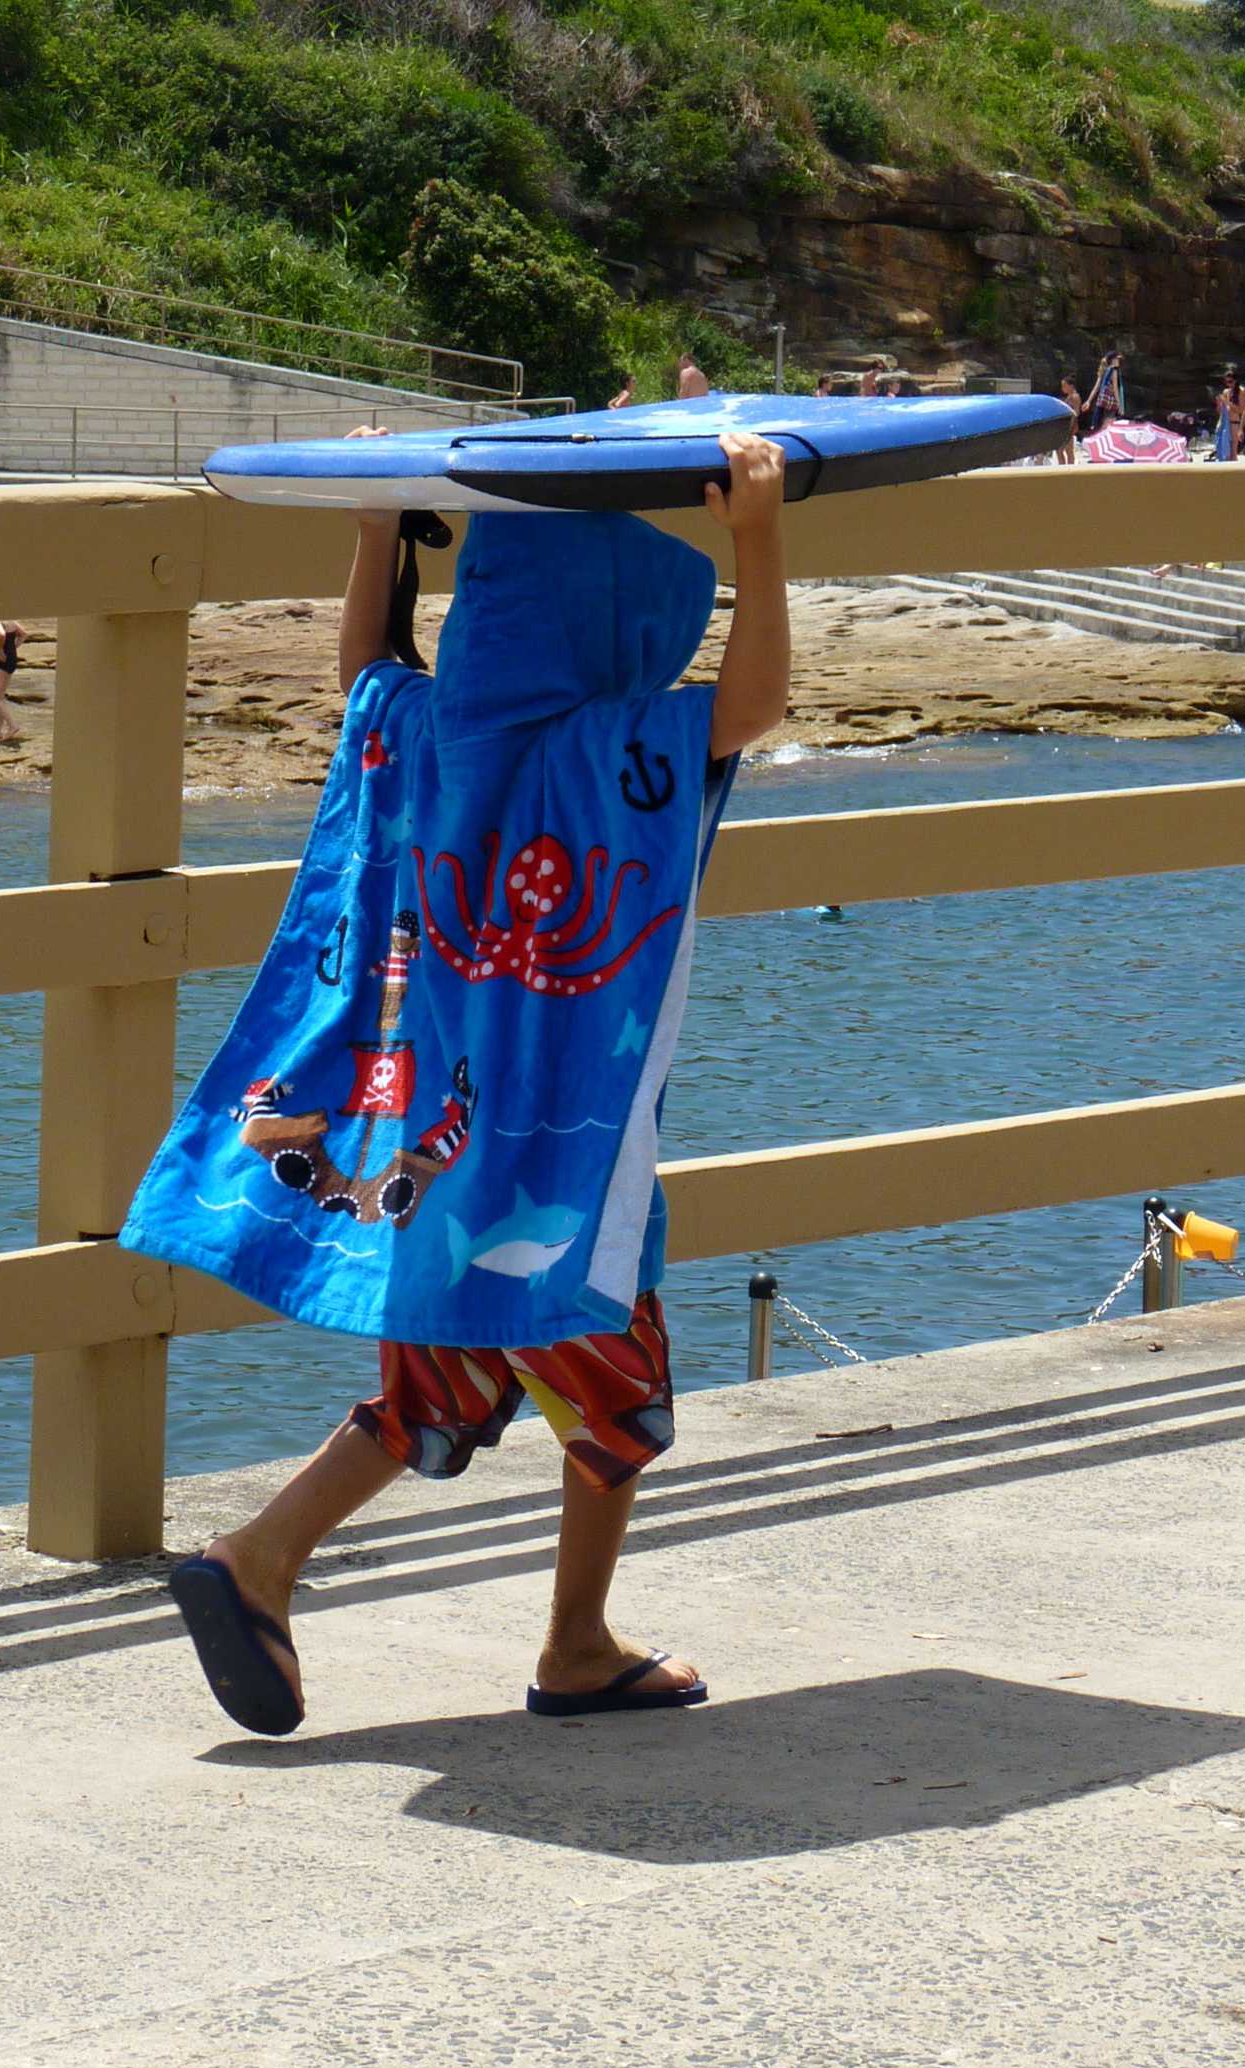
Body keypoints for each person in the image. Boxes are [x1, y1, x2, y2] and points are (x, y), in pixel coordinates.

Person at [122, 430, 792, 1737]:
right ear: (618, 633)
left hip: (430, 1139)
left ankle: (261, 1556)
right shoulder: (611, 745)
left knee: (443, 1385)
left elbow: (364, 669)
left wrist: (381, 528)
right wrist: (758, 543)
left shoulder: (424, 729)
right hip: (560, 1152)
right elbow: (750, 705)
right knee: (619, 1402)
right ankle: (572, 1643)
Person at [0, 619, 25, 742]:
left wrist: (0, 649)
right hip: (11, 659)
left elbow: (1, 634)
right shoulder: (12, 621)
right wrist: (12, 648)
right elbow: (23, 634)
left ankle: (13, 725)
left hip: (0, 662)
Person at [1083, 349, 1125, 433]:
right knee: (1109, 427)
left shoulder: (1104, 370)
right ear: (1113, 360)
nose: (1119, 361)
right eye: (1117, 359)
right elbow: (1115, 388)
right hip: (1110, 403)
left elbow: (1096, 387)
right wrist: (1119, 405)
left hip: (1101, 402)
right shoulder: (1114, 370)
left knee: (1099, 425)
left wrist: (1088, 401)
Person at [1213, 366, 1245, 462]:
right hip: (1224, 423)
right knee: (1223, 449)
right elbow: (1221, 411)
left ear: (1235, 380)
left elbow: (1240, 410)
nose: (1228, 384)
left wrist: (1227, 402)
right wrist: (1219, 403)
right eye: (1226, 382)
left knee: (1233, 451)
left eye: (1230, 382)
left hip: (1234, 423)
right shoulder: (1226, 392)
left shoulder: (1241, 391)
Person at [1055, 376, 1082, 465]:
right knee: (1061, 450)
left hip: (1070, 427)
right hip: (1066, 426)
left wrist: (1070, 425)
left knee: (1066, 451)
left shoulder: (1075, 396)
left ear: (1071, 386)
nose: (1063, 388)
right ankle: (1064, 468)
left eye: (1064, 386)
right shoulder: (1069, 396)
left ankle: (1068, 469)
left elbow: (1076, 412)